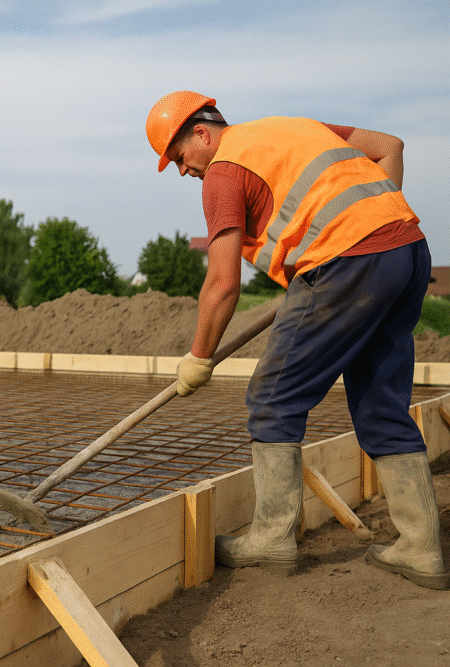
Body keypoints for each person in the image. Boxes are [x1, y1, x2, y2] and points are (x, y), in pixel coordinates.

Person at [145, 91, 447, 589]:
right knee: (381, 405)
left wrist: (198, 357)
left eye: (179, 157)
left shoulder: (223, 170)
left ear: (201, 132)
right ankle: (421, 549)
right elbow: (388, 145)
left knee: (272, 399)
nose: (182, 171)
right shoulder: (292, 127)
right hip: (407, 251)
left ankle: (272, 538)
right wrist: (373, 228)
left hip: (348, 262)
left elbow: (221, 284)